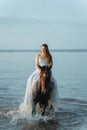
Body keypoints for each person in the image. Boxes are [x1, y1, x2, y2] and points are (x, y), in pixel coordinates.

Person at [21, 44, 58, 114]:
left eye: (44, 49)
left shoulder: (49, 56)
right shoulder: (38, 55)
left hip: (47, 71)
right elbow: (36, 65)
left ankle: (51, 100)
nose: (43, 50)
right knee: (30, 79)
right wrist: (40, 71)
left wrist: (48, 70)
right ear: (40, 49)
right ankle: (29, 95)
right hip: (39, 70)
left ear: (46, 49)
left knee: (54, 82)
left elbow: (51, 64)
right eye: (42, 49)